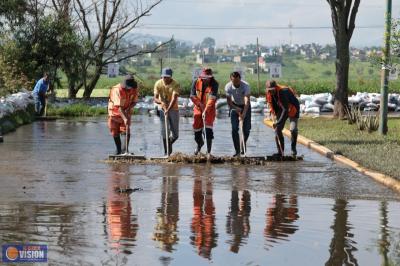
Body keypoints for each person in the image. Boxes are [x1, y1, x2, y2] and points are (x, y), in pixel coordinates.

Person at [266, 80, 300, 157]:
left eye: (272, 90)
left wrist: (278, 123)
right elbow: (271, 105)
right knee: (277, 130)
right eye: (269, 90)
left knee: (293, 129)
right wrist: (273, 116)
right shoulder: (268, 93)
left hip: (292, 108)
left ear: (275, 87)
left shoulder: (283, 92)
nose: (271, 92)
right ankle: (280, 152)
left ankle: (293, 148)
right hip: (281, 108)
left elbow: (285, 109)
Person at [190, 67, 218, 157]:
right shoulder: (196, 82)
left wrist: (205, 110)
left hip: (209, 110)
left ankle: (208, 152)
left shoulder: (214, 84)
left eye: (208, 78)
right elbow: (192, 96)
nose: (206, 79)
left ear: (211, 77)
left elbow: (212, 99)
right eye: (204, 77)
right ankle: (199, 144)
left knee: (208, 130)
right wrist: (200, 105)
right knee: (196, 131)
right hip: (198, 108)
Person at [107, 74, 139, 155]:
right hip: (114, 112)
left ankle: (125, 150)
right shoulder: (117, 90)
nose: (129, 89)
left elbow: (134, 102)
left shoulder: (134, 89)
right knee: (115, 131)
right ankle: (118, 151)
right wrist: (125, 119)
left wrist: (129, 109)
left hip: (126, 111)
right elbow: (119, 108)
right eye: (128, 87)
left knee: (126, 130)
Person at [153, 68, 180, 155]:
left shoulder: (175, 84)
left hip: (173, 109)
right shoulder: (158, 83)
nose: (165, 79)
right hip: (162, 108)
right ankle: (166, 153)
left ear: (171, 77)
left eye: (167, 77)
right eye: (164, 77)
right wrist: (161, 103)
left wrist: (168, 109)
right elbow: (155, 98)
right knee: (164, 132)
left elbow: (174, 98)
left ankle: (169, 144)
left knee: (175, 135)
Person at [225, 71, 251, 157]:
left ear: (240, 79)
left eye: (237, 81)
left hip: (245, 106)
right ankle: (237, 151)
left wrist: (243, 113)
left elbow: (247, 101)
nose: (236, 83)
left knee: (246, 129)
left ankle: (242, 145)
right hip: (234, 106)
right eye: (234, 81)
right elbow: (229, 103)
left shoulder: (245, 86)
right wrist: (236, 109)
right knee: (234, 129)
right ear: (231, 80)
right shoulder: (228, 87)